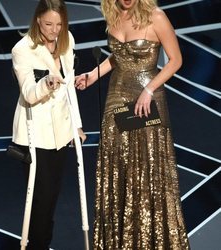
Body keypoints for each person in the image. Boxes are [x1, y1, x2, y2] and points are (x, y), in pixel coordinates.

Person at [75, 0, 190, 249]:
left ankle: (151, 240)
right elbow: (118, 57)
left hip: (147, 101)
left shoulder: (156, 17)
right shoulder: (113, 16)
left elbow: (175, 60)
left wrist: (149, 89)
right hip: (116, 97)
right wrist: (92, 76)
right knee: (118, 167)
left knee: (148, 166)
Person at [11, 0, 86, 249]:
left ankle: (41, 243)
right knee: (40, 201)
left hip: (61, 134)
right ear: (37, 21)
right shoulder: (23, 49)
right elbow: (29, 94)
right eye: (48, 24)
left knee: (51, 198)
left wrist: (77, 125)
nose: (54, 30)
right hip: (37, 136)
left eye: (60, 25)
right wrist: (47, 84)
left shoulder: (67, 41)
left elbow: (70, 89)